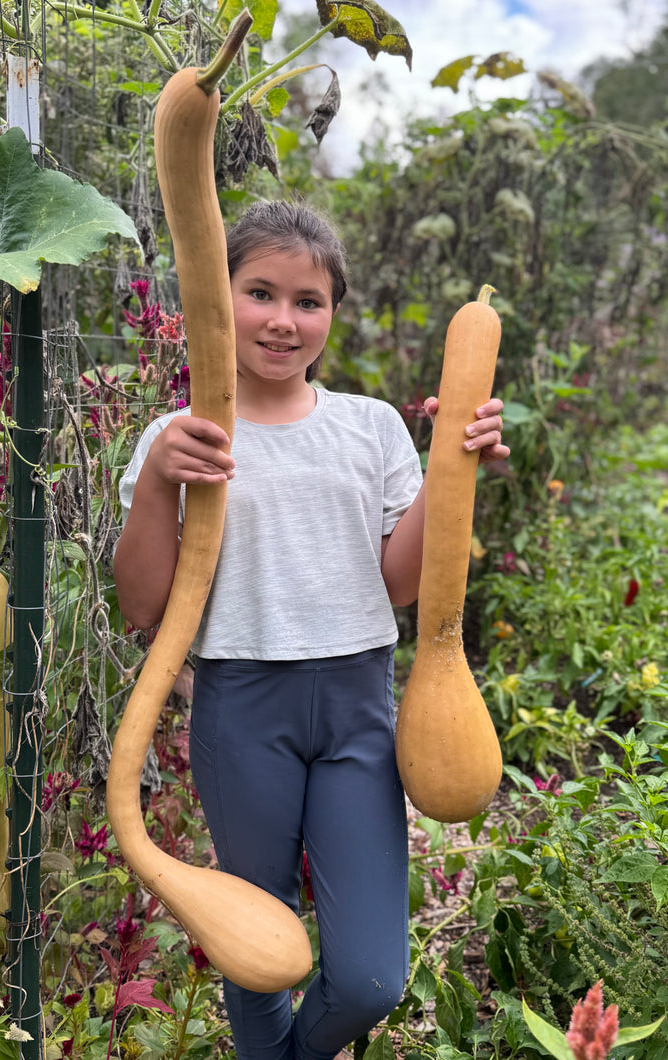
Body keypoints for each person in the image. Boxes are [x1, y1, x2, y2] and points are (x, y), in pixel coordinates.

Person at [114, 200, 509, 1060]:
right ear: (218, 301)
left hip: (358, 710)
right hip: (241, 708)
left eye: (308, 301)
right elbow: (143, 606)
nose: (283, 321)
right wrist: (154, 482)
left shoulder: (368, 427)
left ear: (332, 311)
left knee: (372, 977)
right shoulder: (179, 438)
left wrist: (455, 461)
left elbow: (399, 583)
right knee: (257, 962)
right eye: (260, 292)